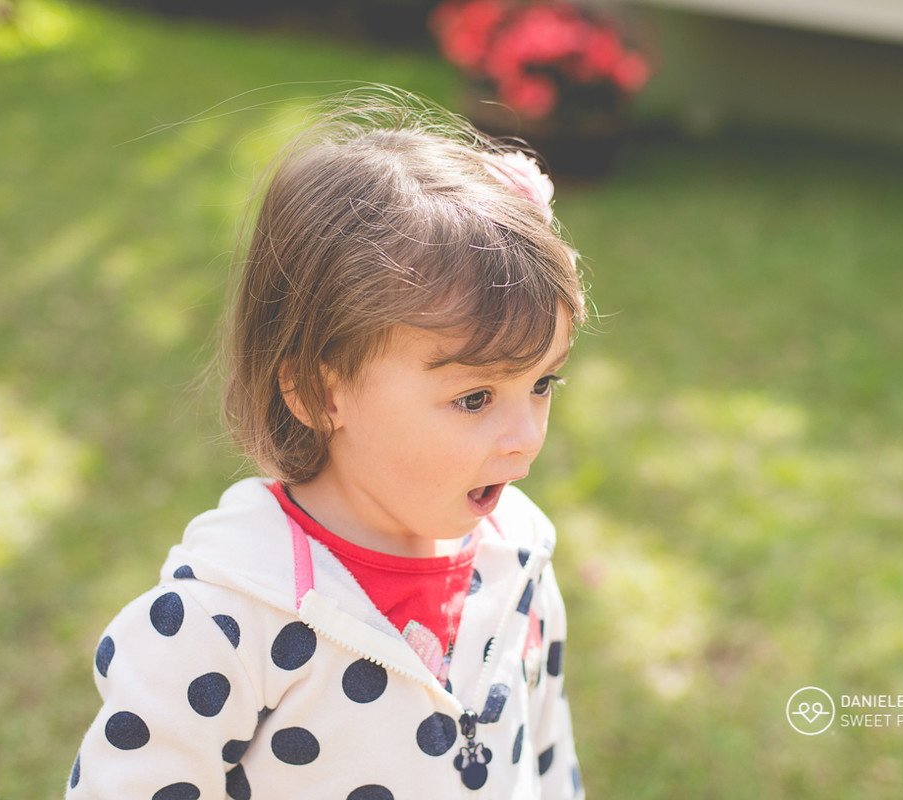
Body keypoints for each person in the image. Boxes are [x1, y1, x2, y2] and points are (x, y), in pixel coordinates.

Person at [66, 89, 588, 800]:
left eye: (543, 384)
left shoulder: (521, 559)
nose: (525, 439)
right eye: (475, 398)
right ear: (319, 392)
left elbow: (546, 757)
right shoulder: (226, 619)